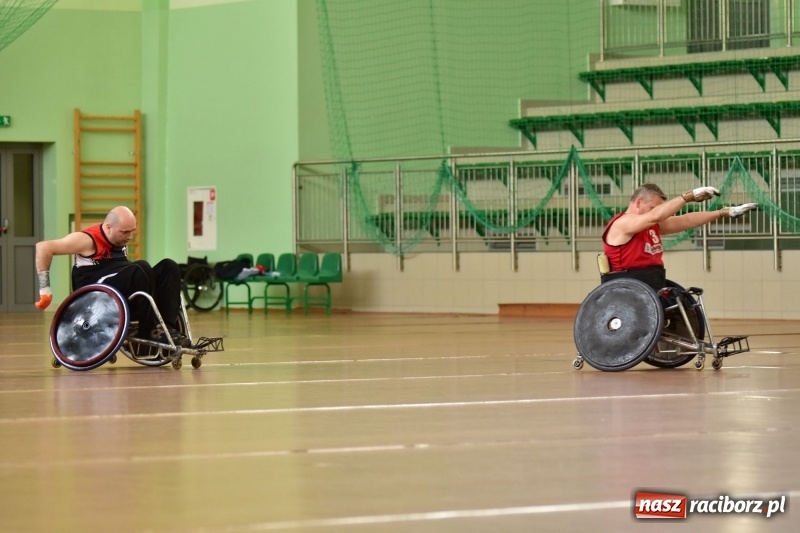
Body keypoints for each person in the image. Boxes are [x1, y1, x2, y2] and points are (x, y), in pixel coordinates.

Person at [34, 206, 189, 346]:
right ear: (108, 227)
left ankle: (166, 328)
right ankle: (147, 331)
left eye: (132, 231)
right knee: (141, 267)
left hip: (121, 293)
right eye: (125, 232)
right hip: (97, 298)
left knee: (169, 266)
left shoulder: (119, 240)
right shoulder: (87, 240)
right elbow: (44, 247)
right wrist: (44, 288)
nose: (129, 236)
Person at [601, 183, 758, 291]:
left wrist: (723, 212)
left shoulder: (651, 224)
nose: (657, 212)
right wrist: (687, 197)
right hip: (627, 287)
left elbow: (686, 220)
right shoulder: (622, 223)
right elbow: (655, 216)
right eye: (653, 208)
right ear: (639, 202)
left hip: (653, 282)